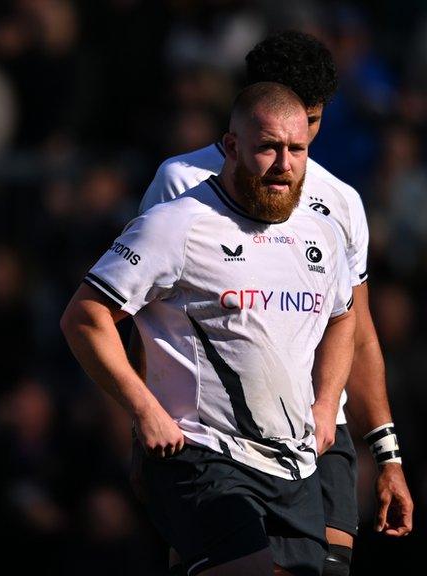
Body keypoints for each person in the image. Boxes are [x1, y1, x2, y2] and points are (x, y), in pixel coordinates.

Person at [139, 31, 413, 574]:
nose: (296, 144)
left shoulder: (340, 202)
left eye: (311, 125)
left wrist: (386, 453)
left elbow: (355, 326)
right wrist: (141, 416)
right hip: (211, 439)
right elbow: (139, 306)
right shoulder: (182, 182)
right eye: (283, 125)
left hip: (315, 432)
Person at [62, 82, 355, 575]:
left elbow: (343, 318)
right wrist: (143, 409)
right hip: (201, 454)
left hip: (293, 463)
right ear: (233, 146)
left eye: (297, 149)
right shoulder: (177, 225)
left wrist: (327, 405)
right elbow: (85, 317)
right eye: (268, 147)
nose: (284, 163)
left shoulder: (320, 232)